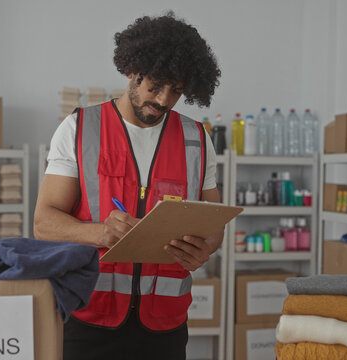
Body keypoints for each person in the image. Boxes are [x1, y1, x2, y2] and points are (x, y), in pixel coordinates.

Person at [34, 12, 222, 360]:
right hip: (88, 318)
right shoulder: (79, 129)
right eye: (156, 86)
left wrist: (204, 248)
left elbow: (213, 226)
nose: (164, 100)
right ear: (131, 71)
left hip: (166, 326)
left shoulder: (197, 139)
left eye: (177, 91)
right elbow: (44, 222)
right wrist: (98, 233)